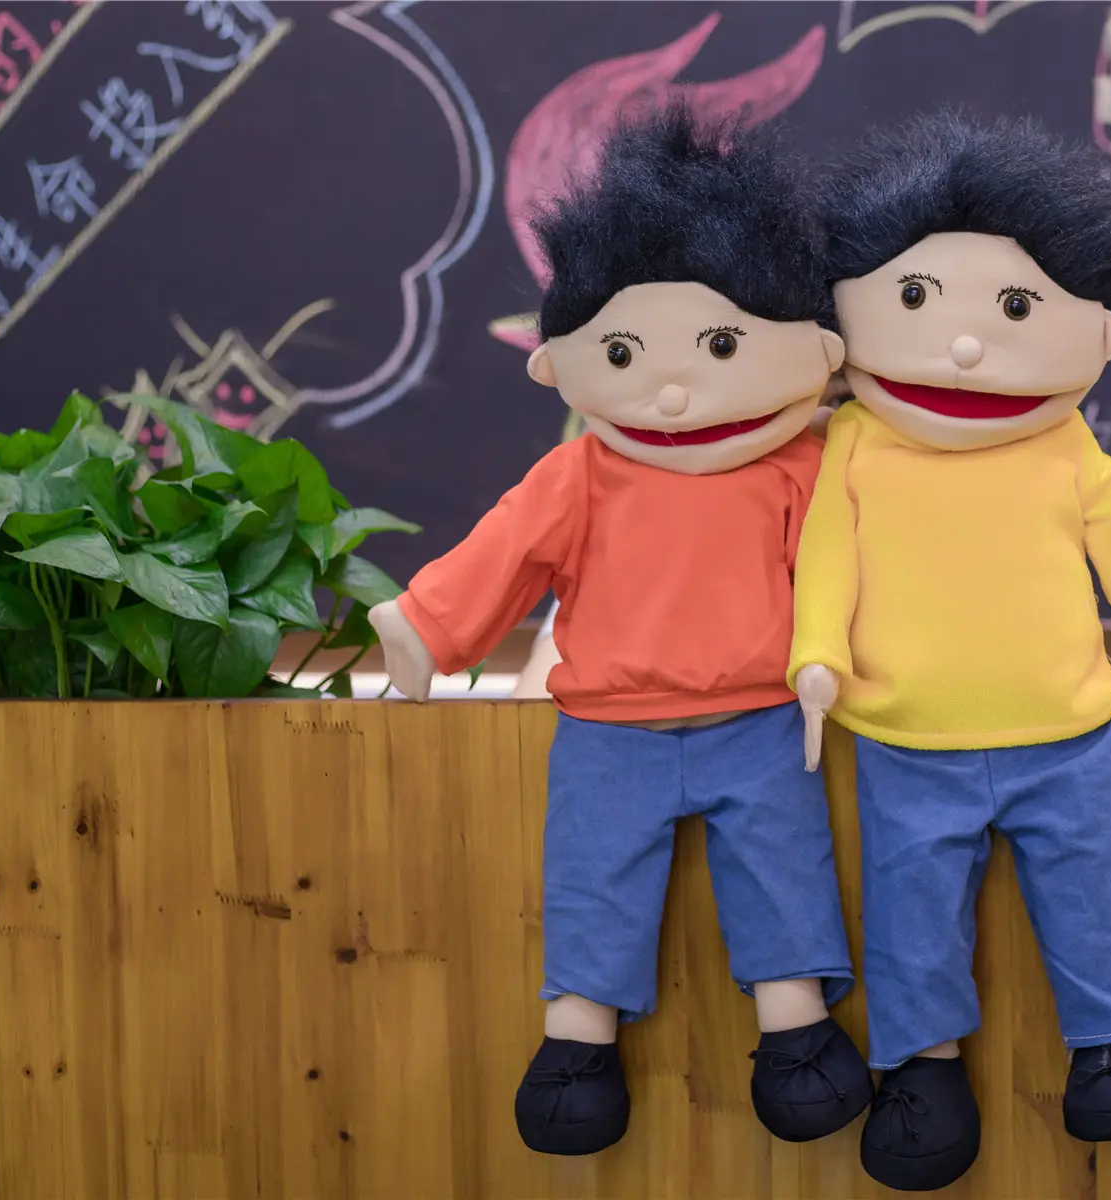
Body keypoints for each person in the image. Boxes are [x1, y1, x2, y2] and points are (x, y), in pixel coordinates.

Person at [372, 104, 870, 1157]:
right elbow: (504, 552)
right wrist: (425, 627)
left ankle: (795, 1031)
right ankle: (577, 1041)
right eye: (627, 351)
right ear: (564, 360)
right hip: (607, 730)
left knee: (783, 866)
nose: (675, 388)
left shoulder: (804, 466)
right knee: (594, 873)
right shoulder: (579, 476)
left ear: (813, 354)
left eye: (721, 345)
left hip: (762, 719)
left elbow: (858, 567)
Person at [790, 110, 1111, 1192]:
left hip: (1067, 727)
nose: (962, 347)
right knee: (909, 909)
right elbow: (825, 562)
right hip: (903, 731)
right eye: (914, 299)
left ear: (1102, 336)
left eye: (1012, 309)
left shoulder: (1064, 446)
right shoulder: (853, 441)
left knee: (1100, 882)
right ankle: (923, 1070)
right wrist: (815, 658)